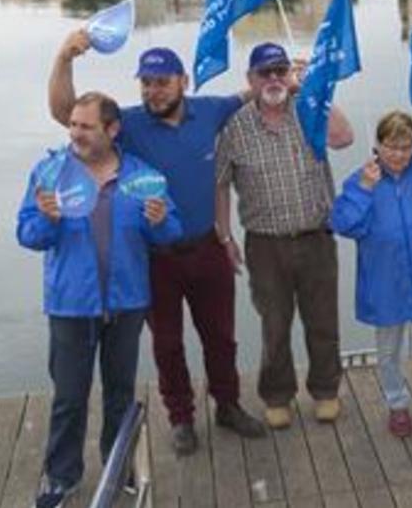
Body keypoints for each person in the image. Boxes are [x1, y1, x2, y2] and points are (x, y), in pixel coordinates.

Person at [49, 31, 265, 456]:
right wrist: (64, 59)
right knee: (167, 344)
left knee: (221, 337)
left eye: (162, 81)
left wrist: (283, 78)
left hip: (206, 249)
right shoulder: (125, 125)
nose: (153, 90)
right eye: (146, 82)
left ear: (183, 81)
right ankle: (181, 417)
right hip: (153, 259)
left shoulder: (208, 111)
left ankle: (228, 404)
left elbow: (248, 94)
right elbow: (65, 113)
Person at [18, 92, 183, 508]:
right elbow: (27, 234)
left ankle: (118, 466)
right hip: (71, 305)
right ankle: (61, 478)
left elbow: (170, 233)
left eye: (86, 126)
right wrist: (47, 219)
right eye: (72, 124)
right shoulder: (50, 173)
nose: (75, 133)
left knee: (120, 394)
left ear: (112, 130)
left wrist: (162, 223)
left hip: (127, 304)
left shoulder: (142, 175)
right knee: (69, 397)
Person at [215, 42, 354, 428]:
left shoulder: (308, 109)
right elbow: (221, 184)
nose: (274, 79)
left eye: (280, 70)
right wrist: (225, 237)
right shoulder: (235, 125)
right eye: (266, 73)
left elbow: (344, 137)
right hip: (265, 243)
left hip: (316, 237)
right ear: (251, 79)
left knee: (323, 322)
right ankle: (277, 395)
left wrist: (313, 89)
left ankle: (325, 391)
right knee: (274, 325)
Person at [331, 111, 412, 438]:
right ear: (378, 144)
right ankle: (397, 405)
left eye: (405, 147)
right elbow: (343, 224)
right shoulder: (363, 179)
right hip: (385, 283)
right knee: (388, 352)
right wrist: (364, 188)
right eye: (391, 146)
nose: (399, 154)